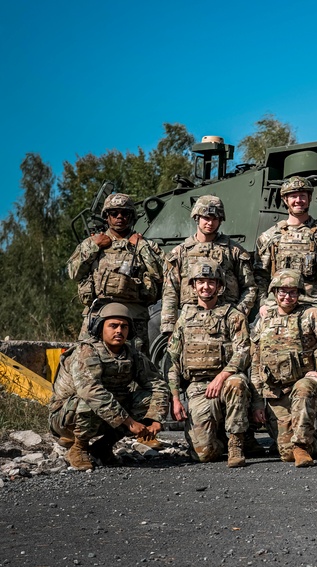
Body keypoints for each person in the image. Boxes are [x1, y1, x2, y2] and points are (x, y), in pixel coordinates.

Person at [49, 302, 169, 471]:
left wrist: (155, 418)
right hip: (66, 417)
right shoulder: (87, 351)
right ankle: (79, 447)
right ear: (100, 328)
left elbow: (158, 384)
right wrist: (129, 422)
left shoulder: (132, 354)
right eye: (113, 326)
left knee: (146, 399)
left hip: (105, 413)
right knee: (89, 401)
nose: (119, 331)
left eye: (124, 327)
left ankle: (103, 446)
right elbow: (91, 392)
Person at [166, 260, 254, 468]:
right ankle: (219, 438)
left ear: (219, 286)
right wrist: (176, 398)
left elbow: (243, 352)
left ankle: (236, 443)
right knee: (204, 454)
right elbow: (173, 361)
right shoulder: (184, 318)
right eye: (201, 282)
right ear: (194, 286)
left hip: (226, 380)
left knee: (237, 384)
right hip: (197, 386)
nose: (206, 287)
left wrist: (221, 377)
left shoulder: (233, 316)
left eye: (211, 282)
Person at [250, 270, 317, 468]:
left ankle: (302, 446)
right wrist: (257, 402)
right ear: (274, 293)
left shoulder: (312, 316)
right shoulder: (264, 321)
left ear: (299, 293)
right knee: (285, 453)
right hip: (277, 392)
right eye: (282, 292)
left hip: (308, 387)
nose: (287, 297)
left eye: (292, 292)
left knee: (303, 387)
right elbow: (256, 362)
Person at [66, 192, 163, 354]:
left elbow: (161, 274)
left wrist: (142, 247)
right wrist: (93, 246)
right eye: (114, 213)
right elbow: (72, 272)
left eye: (125, 213)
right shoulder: (93, 243)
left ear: (132, 216)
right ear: (106, 216)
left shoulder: (145, 245)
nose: (120, 217)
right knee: (88, 360)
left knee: (137, 366)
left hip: (134, 318)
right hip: (98, 314)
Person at [160, 195, 257, 333]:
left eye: (215, 219)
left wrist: (238, 313)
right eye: (206, 218)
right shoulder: (180, 252)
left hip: (226, 319)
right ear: (196, 218)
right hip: (190, 319)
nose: (210, 223)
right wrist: (169, 327)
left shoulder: (234, 251)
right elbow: (170, 291)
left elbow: (249, 287)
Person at [254, 175, 317, 314]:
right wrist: (263, 303)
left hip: (315, 307)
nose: (298, 200)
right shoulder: (270, 237)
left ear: (309, 198)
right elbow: (261, 275)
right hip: (278, 307)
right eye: (293, 196)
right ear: (285, 200)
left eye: (302, 196)